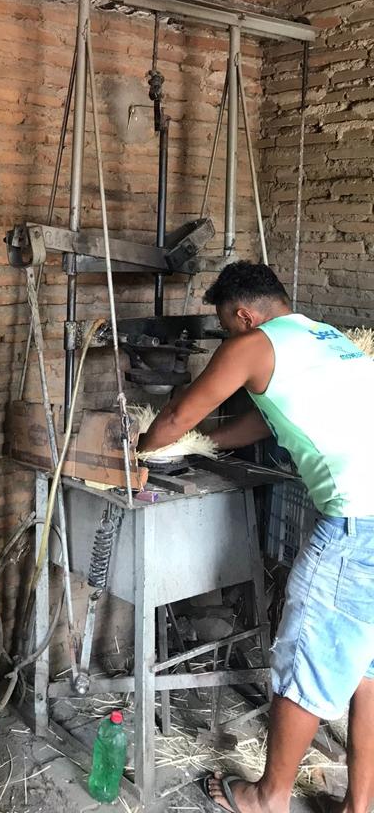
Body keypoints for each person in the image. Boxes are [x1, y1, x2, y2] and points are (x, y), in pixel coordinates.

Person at [139, 261, 374, 813]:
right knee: (366, 668)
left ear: (244, 316)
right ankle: (360, 804)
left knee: (305, 663)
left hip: (357, 530)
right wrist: (208, 442)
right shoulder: (326, 338)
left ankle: (268, 798)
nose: (228, 337)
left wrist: (143, 450)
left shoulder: (252, 345)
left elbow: (176, 413)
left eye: (226, 326)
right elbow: (271, 420)